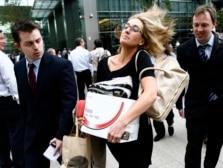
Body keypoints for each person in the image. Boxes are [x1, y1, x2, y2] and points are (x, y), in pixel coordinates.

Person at [80, 4, 176, 168]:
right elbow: (100, 99)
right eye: (126, 26)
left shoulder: (141, 57)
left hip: (136, 136)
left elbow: (151, 93)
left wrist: (122, 123)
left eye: (134, 29)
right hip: (113, 135)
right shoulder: (104, 63)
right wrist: (87, 116)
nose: (127, 30)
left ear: (142, 40)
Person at [176, 4, 223, 168]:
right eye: (196, 25)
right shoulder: (184, 49)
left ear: (214, 24)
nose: (199, 29)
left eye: (204, 25)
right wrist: (179, 104)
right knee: (193, 148)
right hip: (195, 106)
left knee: (214, 148)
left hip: (221, 106)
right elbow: (179, 80)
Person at [11, 20, 77, 168]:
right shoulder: (19, 68)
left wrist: (61, 135)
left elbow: (69, 104)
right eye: (29, 43)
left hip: (60, 134)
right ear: (18, 46)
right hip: (32, 136)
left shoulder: (61, 66)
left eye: (38, 40)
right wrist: (24, 134)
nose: (36, 47)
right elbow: (25, 103)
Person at [0, 30, 24, 168]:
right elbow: (12, 81)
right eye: (1, 38)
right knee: (16, 135)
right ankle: (19, 164)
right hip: (8, 102)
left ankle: (4, 163)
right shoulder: (2, 58)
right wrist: (20, 101)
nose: (3, 41)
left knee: (1, 136)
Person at [152, 43, 176, 142]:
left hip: (167, 87)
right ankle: (160, 132)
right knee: (155, 110)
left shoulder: (171, 56)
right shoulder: (149, 57)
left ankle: (170, 122)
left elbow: (176, 72)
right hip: (153, 87)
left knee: (168, 110)